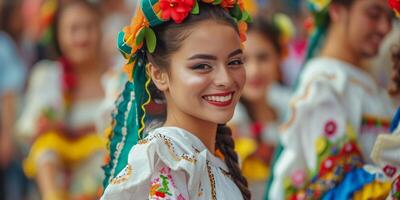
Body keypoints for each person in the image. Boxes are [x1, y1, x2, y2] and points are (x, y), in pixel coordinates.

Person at [101, 1, 252, 199]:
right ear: (159, 75)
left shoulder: (211, 160)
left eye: (234, 62)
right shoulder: (163, 158)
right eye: (202, 66)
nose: (225, 79)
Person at [267, 0, 395, 199]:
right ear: (337, 10)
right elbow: (340, 182)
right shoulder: (325, 84)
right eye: (374, 14)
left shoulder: (367, 85)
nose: (385, 27)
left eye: (390, 17)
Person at [17, 0, 107, 199]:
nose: (82, 37)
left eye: (89, 27)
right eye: (73, 29)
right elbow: (36, 139)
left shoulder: (119, 76)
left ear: (101, 27)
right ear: (58, 35)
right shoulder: (48, 77)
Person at [229, 16, 291, 200]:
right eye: (243, 60)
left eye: (263, 58)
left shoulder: (291, 109)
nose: (255, 70)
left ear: (280, 57)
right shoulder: (228, 124)